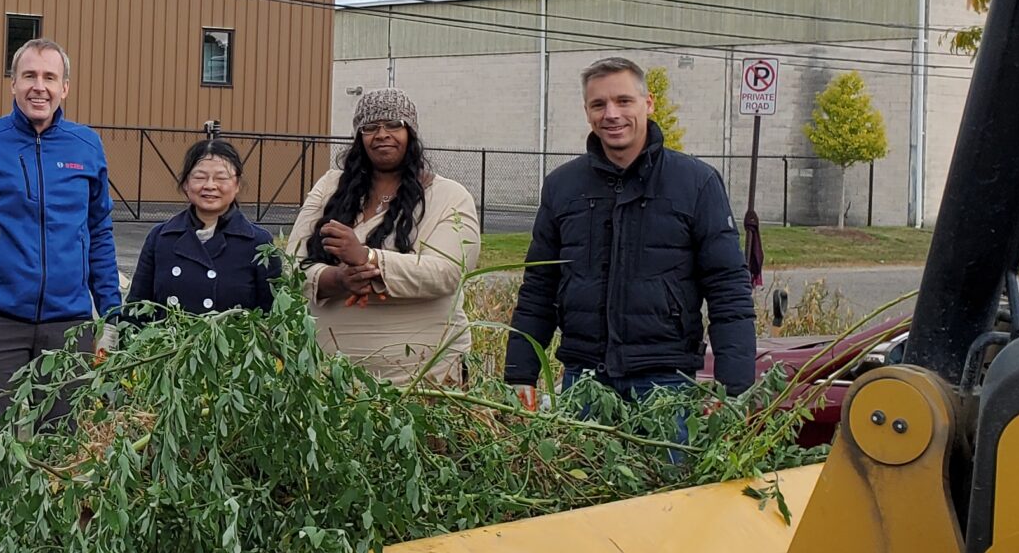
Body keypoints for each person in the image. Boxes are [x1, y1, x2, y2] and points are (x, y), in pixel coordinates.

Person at [505, 56, 756, 401]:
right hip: (585, 382)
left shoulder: (697, 183)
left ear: (648, 103)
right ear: (587, 111)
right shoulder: (562, 186)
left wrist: (734, 389)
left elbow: (728, 289)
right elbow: (539, 288)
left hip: (666, 385)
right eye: (599, 104)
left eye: (623, 100)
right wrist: (520, 374)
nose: (611, 114)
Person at [0, 38, 122, 444]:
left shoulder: (86, 146)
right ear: (13, 83)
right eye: (29, 76)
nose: (39, 87)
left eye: (50, 77)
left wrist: (112, 314)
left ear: (65, 87)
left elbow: (99, 231)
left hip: (68, 324)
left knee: (62, 444)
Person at [287, 87, 482, 385]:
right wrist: (338, 279)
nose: (382, 134)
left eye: (393, 125)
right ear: (359, 137)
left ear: (411, 133)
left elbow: (448, 273)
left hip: (425, 382)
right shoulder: (329, 188)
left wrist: (369, 259)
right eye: (370, 127)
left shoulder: (449, 196)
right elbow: (290, 267)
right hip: (329, 383)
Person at [126, 138, 280, 319]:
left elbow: (272, 316)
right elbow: (137, 308)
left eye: (221, 178)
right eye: (200, 177)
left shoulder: (259, 243)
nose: (210, 185)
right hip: (169, 338)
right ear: (186, 183)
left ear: (237, 184)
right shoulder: (161, 238)